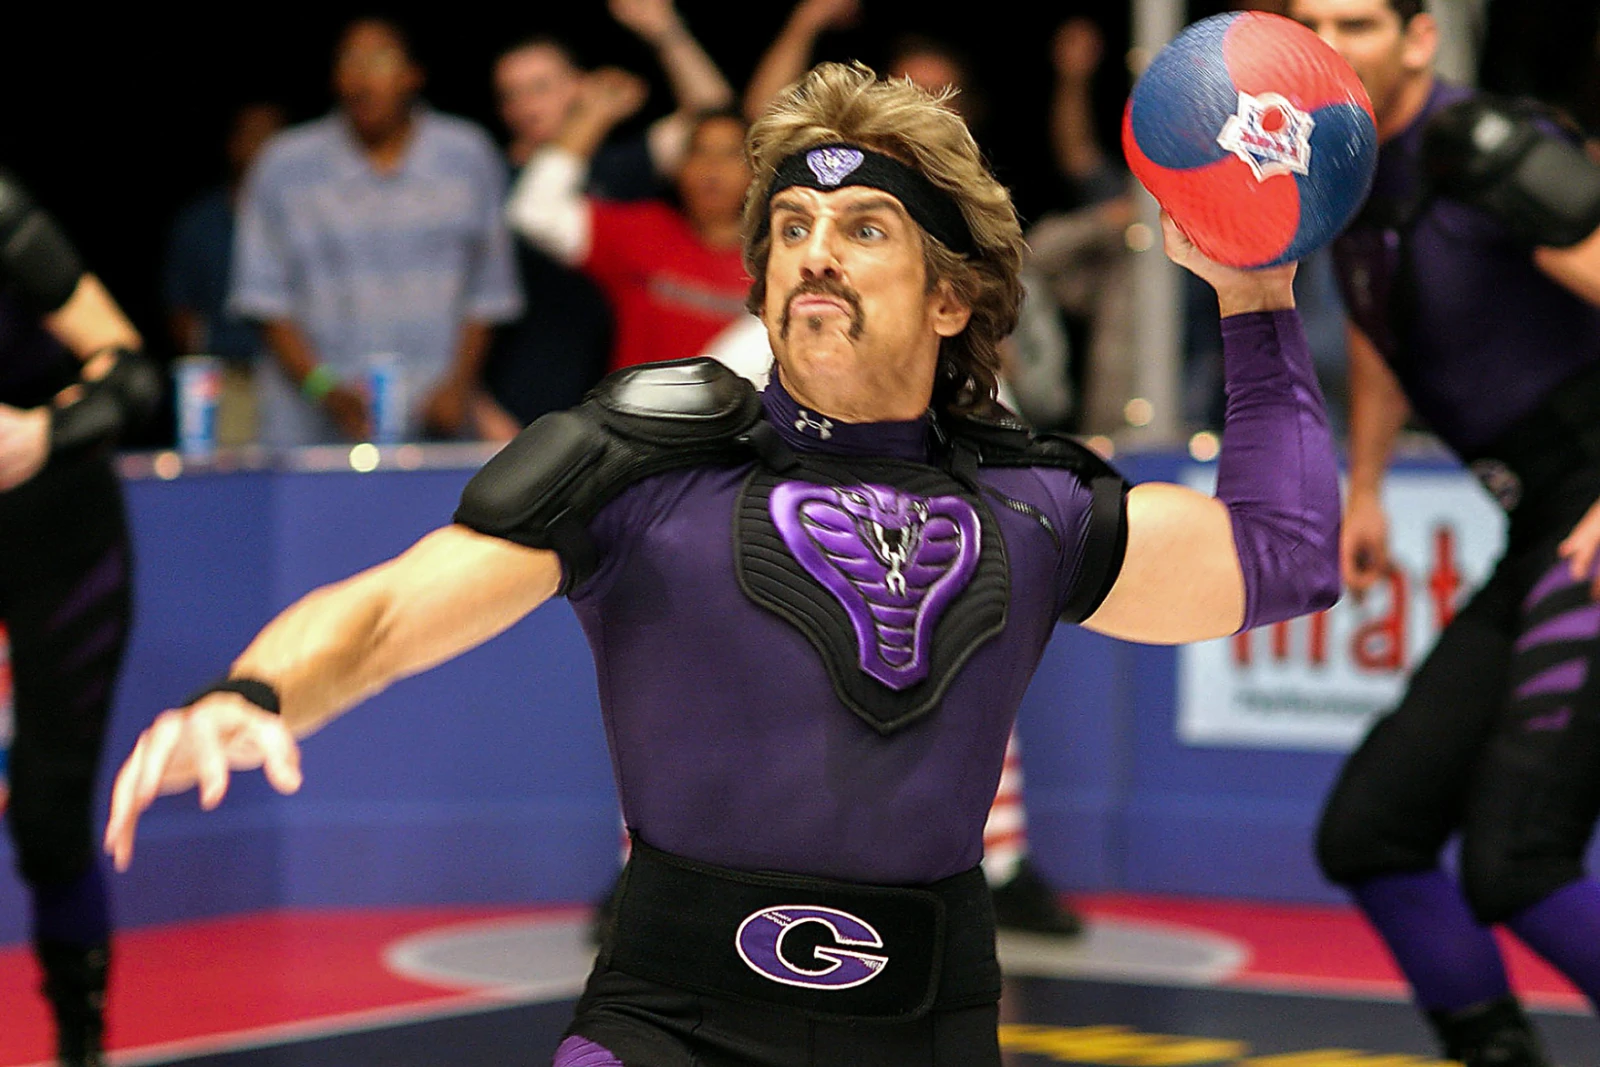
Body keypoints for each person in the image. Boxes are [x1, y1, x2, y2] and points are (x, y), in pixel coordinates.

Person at [103, 63, 1339, 1067]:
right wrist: (253, 692)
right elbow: (388, 612)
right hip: (668, 1023)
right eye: (792, 228)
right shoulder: (642, 464)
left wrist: (1255, 295)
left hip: (931, 1030)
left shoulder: (1033, 502)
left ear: (951, 300)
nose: (815, 252)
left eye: (863, 228)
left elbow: (1280, 555)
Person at [1287, 1, 1600, 1063]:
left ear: (1420, 39)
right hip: (1541, 526)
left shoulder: (1484, 148)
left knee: (1518, 859)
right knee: (1371, 832)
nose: (1334, 49)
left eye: (1360, 23)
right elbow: (1380, 320)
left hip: (1592, 510)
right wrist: (1367, 485)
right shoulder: (1338, 173)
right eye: (1312, 25)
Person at [0, 171, 163, 1066]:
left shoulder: (5, 217)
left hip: (55, 532)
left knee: (50, 812)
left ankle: (81, 1038)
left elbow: (131, 373)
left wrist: (46, 431)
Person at [230, 17, 521, 447]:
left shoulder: (466, 154)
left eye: (380, 60)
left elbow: (490, 290)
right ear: (335, 77)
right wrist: (326, 390)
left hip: (434, 420)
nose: (363, 78)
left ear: (413, 74)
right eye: (351, 61)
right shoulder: (284, 163)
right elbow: (264, 298)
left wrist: (458, 387)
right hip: (310, 427)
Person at [483, 0, 737, 433]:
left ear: (579, 85)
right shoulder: (491, 175)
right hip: (516, 398)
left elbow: (715, 118)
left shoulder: (621, 167)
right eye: (512, 94)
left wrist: (667, 33)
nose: (526, 105)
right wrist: (592, 113)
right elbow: (530, 216)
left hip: (605, 400)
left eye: (540, 87)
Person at [505, 72, 751, 374]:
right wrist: (591, 115)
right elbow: (534, 213)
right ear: (678, 167)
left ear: (757, 171)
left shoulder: (777, 260)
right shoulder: (643, 232)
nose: (713, 169)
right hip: (632, 404)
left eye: (731, 154)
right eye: (699, 151)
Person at [162, 101, 286, 446]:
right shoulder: (201, 222)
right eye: (254, 137)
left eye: (274, 139)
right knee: (228, 467)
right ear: (233, 145)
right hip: (229, 379)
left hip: (302, 378)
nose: (264, 149)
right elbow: (179, 309)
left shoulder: (303, 216)